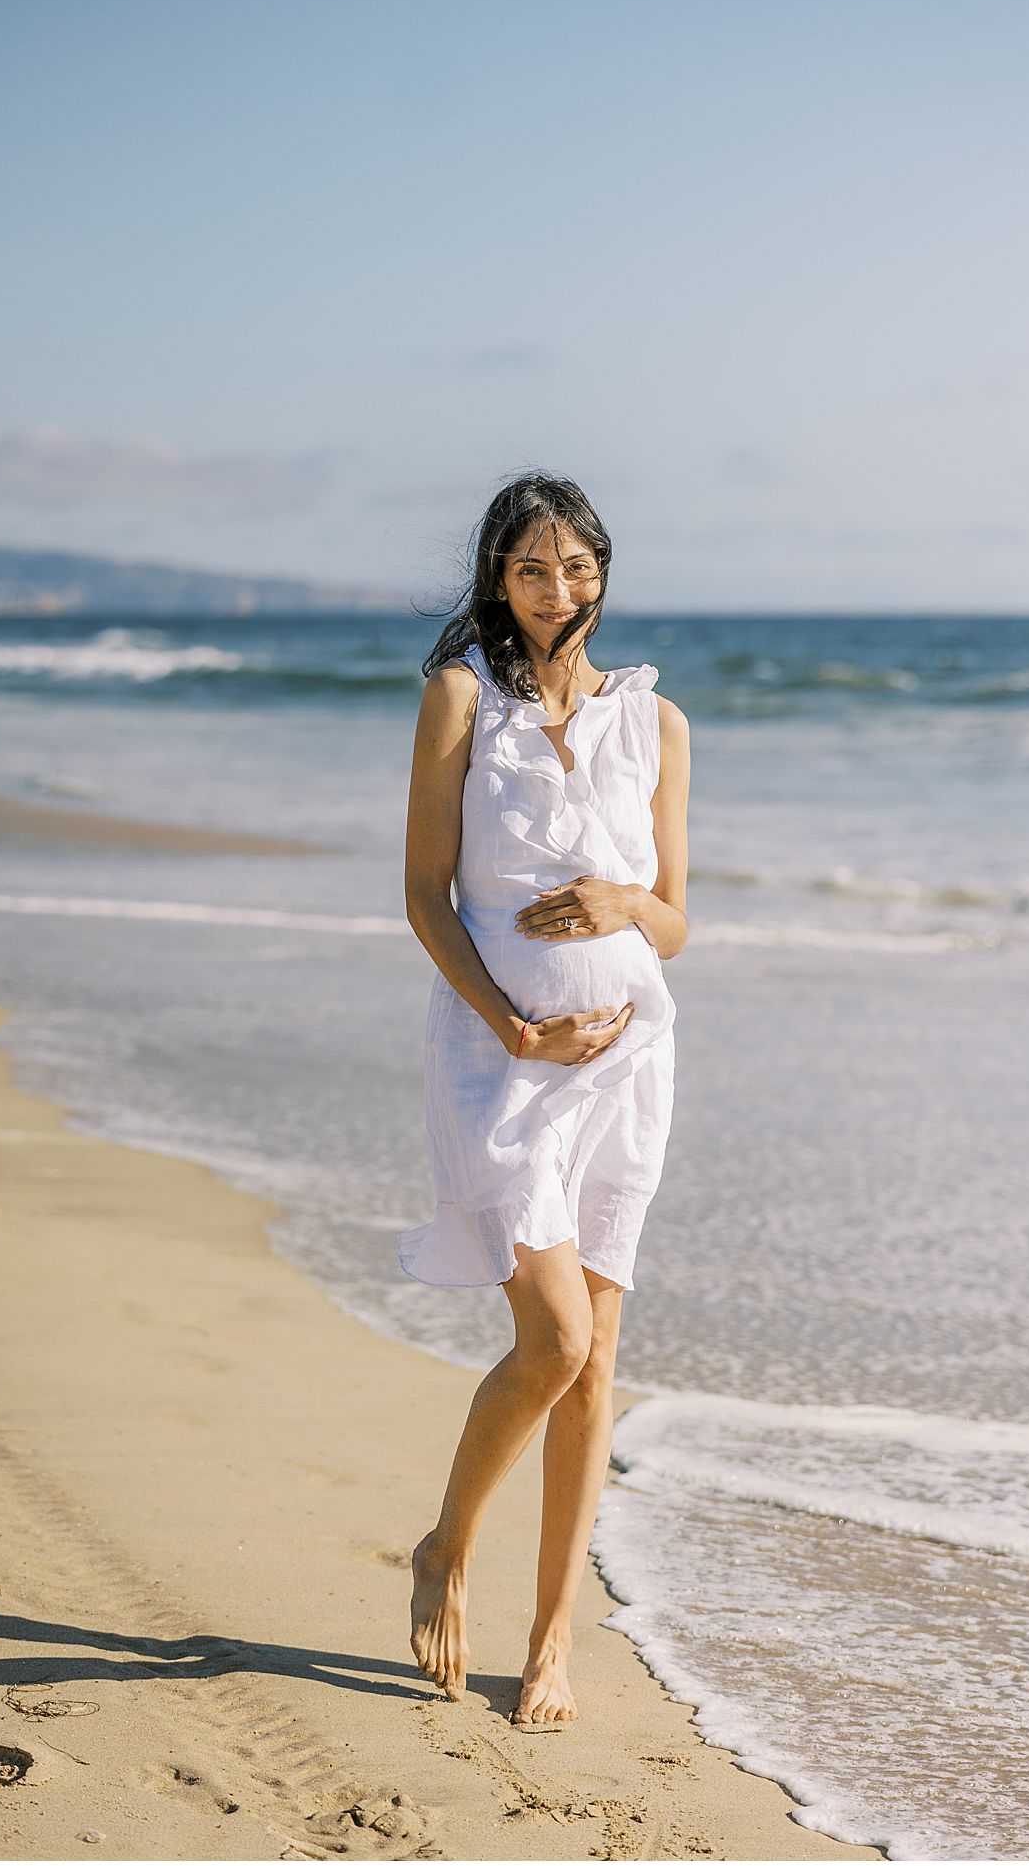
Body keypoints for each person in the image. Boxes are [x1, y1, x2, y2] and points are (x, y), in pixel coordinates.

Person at [399, 472, 690, 1730]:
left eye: (576, 569)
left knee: (599, 1359)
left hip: (630, 1064)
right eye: (529, 569)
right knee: (554, 1340)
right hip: (500, 1060)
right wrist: (515, 1024)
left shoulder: (655, 722)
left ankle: (554, 1639)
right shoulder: (463, 700)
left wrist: (628, 905)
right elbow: (423, 893)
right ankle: (445, 1544)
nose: (555, 590)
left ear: (603, 575)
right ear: (495, 579)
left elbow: (675, 922)